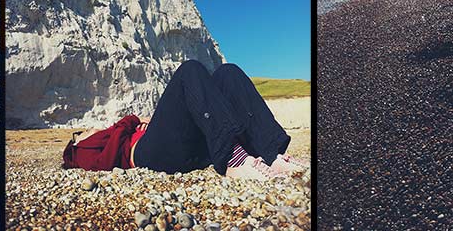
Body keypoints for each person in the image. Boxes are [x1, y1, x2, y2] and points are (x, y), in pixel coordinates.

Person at [62, 60, 307, 179]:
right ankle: (233, 160)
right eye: (80, 132)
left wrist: (135, 125)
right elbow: (105, 162)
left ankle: (271, 154)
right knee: (189, 71)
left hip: (174, 145)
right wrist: (132, 122)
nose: (88, 129)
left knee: (227, 72)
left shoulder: (106, 135)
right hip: (150, 155)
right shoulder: (79, 150)